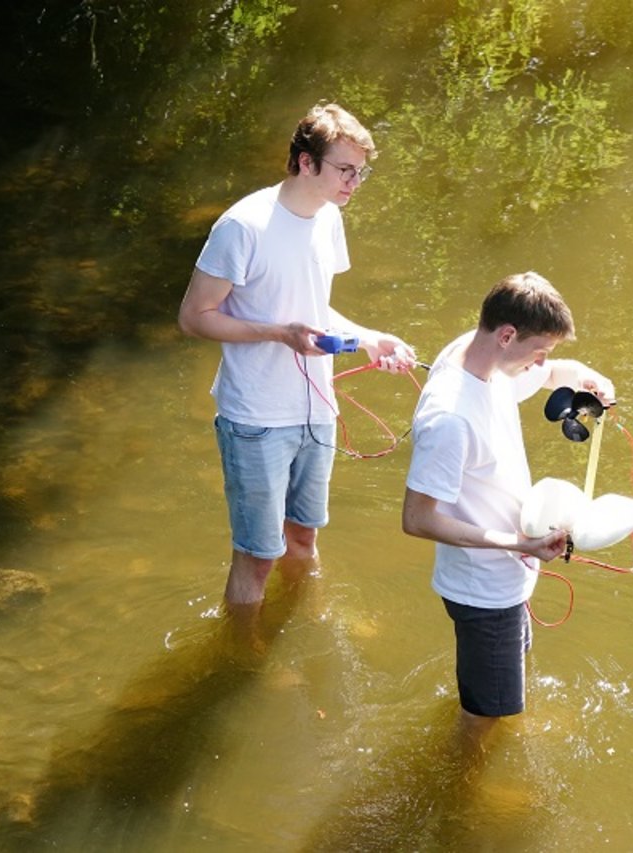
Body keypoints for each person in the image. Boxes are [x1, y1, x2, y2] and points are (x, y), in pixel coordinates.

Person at [178, 101, 416, 645]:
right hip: (256, 416)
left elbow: (313, 310)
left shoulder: (329, 219)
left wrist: (368, 339)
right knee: (258, 555)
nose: (355, 183)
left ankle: (299, 628)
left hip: (318, 410)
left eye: (361, 171)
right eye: (345, 170)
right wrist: (279, 334)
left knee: (304, 539)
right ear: (306, 163)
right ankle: (242, 652)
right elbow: (194, 318)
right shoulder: (243, 226)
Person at [401, 271, 615, 749]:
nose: (543, 364)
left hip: (509, 574)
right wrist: (519, 544)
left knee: (497, 692)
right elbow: (416, 519)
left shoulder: (485, 359)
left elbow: (550, 374)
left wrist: (583, 376)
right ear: (506, 335)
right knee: (486, 719)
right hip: (484, 588)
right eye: (540, 352)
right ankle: (461, 792)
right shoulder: (449, 420)